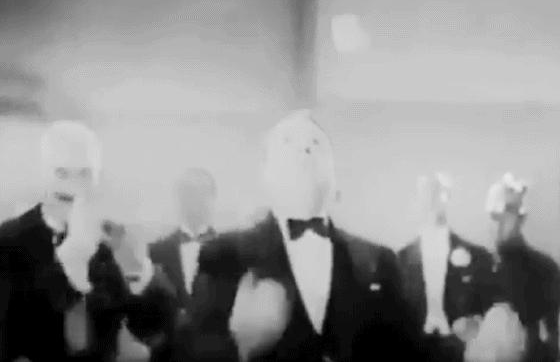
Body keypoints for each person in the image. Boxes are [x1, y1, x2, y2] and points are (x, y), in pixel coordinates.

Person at [172, 110, 424, 362]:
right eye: (288, 142)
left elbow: (407, 351)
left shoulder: (380, 261)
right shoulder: (223, 255)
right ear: (265, 174)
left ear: (334, 175)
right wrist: (243, 346)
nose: (305, 148)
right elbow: (194, 350)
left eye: (316, 143)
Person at [0, 121, 174, 362]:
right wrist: (71, 266)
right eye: (61, 173)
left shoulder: (112, 238)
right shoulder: (8, 241)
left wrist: (137, 272)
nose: (73, 185)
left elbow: (153, 330)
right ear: (42, 174)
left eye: (85, 173)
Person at [398, 173, 493, 361]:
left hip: (463, 353)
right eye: (426, 193)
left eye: (437, 193)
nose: (431, 201)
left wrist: (476, 324)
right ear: (416, 201)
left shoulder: (478, 257)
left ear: (446, 198)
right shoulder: (399, 260)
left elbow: (491, 313)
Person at [468, 173, 560, 362]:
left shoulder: (544, 270)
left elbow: (552, 338)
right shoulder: (477, 269)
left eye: (507, 211)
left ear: (521, 217)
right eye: (494, 214)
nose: (500, 220)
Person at [136, 168, 218, 362]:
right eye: (189, 193)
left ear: (213, 198)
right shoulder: (154, 252)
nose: (196, 200)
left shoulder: (231, 251)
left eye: (202, 192)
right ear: (178, 199)